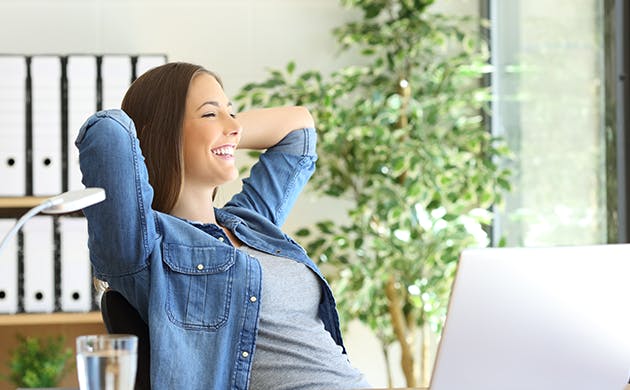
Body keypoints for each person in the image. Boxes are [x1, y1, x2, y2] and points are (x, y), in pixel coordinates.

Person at [76, 62, 371, 389]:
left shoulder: (251, 221)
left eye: (231, 113)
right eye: (209, 114)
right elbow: (107, 134)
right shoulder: (144, 250)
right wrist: (187, 133)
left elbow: (298, 129)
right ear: (157, 132)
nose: (233, 126)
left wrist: (220, 130)